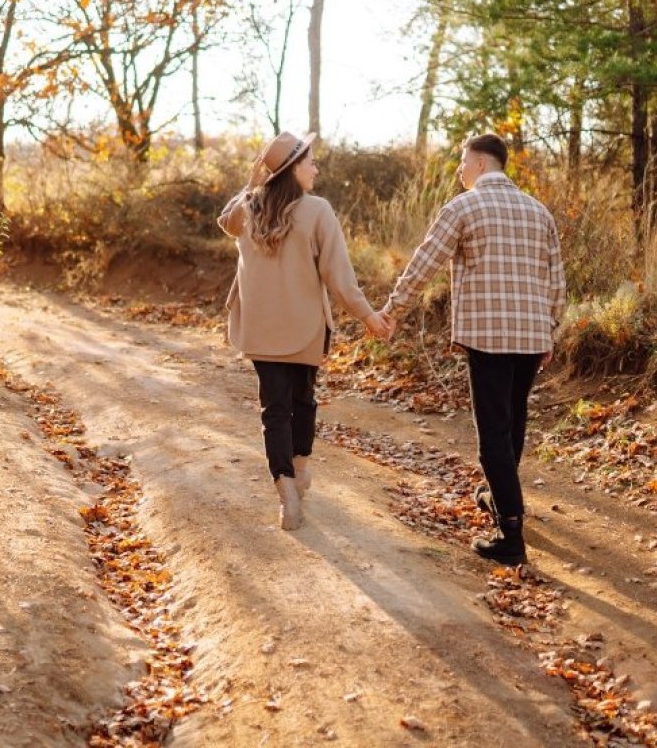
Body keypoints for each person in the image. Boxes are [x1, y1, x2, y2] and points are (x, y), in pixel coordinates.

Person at [381, 133, 565, 565]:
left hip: (489, 336)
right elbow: (557, 282)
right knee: (513, 422)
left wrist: (392, 308)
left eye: (463, 162)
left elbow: (424, 262)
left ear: (481, 164)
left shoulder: (463, 207)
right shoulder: (539, 211)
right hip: (532, 335)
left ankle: (511, 535)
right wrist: (550, 329)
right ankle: (497, 496)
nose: (459, 171)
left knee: (492, 438)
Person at [219, 131, 392, 531]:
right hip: (305, 328)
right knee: (304, 401)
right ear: (293, 169)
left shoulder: (248, 208)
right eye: (310, 161)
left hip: (260, 330)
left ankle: (286, 495)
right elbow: (339, 277)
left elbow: (226, 222)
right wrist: (368, 316)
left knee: (273, 410)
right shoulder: (317, 210)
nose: (316, 168)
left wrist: (252, 182)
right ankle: (300, 469)